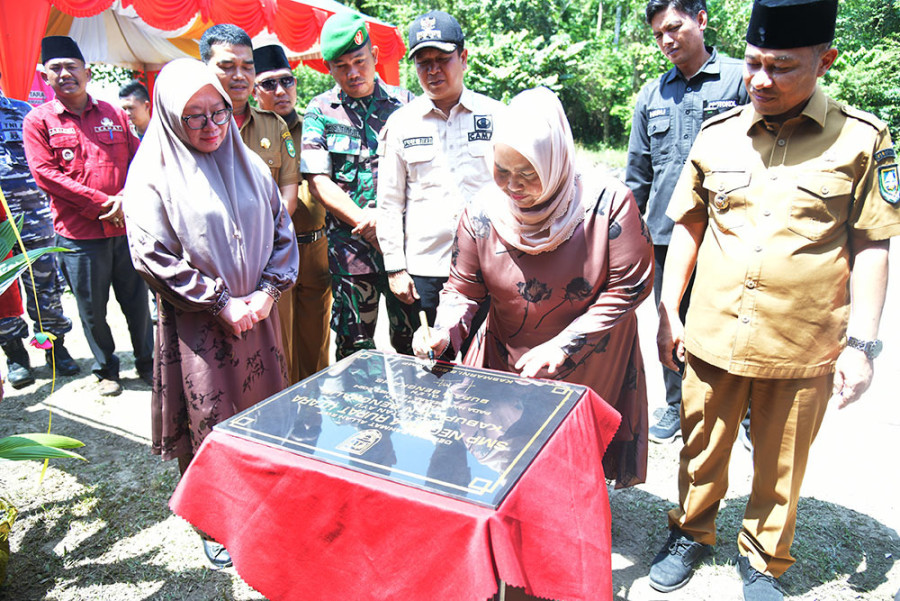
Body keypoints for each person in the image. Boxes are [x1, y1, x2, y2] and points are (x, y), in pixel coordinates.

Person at [650, 1, 899, 599]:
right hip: (713, 329)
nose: (760, 79)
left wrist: (862, 345)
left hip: (802, 338)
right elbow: (686, 225)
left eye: (781, 67)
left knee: (781, 460)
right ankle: (691, 531)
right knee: (701, 443)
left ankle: (763, 557)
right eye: (755, 63)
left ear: (824, 60)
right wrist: (667, 309)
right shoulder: (719, 134)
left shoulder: (862, 140)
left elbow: (873, 244)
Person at [413, 86, 654, 489]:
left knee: (570, 459)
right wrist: (442, 334)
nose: (512, 186)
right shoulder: (483, 212)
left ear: (556, 160)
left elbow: (629, 287)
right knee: (508, 458)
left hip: (588, 353)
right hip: (508, 347)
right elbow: (463, 290)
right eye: (502, 171)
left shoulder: (607, 204)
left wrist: (564, 344)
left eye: (528, 173)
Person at [123, 58, 299, 569]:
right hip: (199, 325)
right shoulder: (153, 173)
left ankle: (266, 499)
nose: (210, 126)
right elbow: (150, 253)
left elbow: (280, 231)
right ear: (170, 117)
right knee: (212, 419)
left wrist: (267, 292)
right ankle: (217, 518)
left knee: (265, 413)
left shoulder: (250, 163)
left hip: (260, 319)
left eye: (217, 112)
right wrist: (220, 301)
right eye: (193, 116)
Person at [626, 0, 748, 443]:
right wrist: (625, 234)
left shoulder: (742, 78)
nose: (666, 40)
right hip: (665, 233)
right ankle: (676, 406)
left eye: (674, 28)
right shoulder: (653, 95)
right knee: (669, 316)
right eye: (658, 34)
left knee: (735, 320)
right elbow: (638, 174)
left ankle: (745, 414)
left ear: (701, 19)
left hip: (729, 232)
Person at [22, 36, 153, 397]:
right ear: (46, 78)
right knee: (93, 310)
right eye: (56, 69)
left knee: (138, 304)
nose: (65, 74)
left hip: (126, 229)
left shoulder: (113, 114)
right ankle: (106, 369)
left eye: (72, 67)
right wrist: (102, 203)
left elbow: (139, 160)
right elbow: (46, 175)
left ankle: (146, 362)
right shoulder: (38, 121)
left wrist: (124, 199)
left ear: (88, 72)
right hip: (79, 236)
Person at [376, 10, 502, 350]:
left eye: (442, 59)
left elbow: (514, 191)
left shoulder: (497, 116)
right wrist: (395, 268)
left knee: (486, 364)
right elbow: (388, 202)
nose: (432, 71)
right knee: (425, 366)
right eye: (422, 62)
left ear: (463, 58)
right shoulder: (401, 124)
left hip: (488, 265)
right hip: (424, 271)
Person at [301, 11, 418, 360]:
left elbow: (424, 176)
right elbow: (318, 180)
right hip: (350, 255)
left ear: (375, 56)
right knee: (354, 352)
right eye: (342, 66)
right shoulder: (321, 110)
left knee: (414, 344)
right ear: (330, 69)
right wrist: (367, 223)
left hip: (405, 249)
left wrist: (386, 225)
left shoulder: (408, 105)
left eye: (359, 61)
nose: (353, 72)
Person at [252, 44, 331, 383]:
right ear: (254, 90)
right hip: (275, 253)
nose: (281, 90)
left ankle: (314, 421)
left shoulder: (315, 127)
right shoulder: (247, 132)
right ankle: (285, 419)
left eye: (287, 81)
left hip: (316, 249)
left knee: (317, 343)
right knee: (280, 346)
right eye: (269, 84)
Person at [0, 69, 79, 387]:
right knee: (2, 291)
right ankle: (15, 356)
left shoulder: (24, 112)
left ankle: (56, 347)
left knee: (45, 284)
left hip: (34, 216)